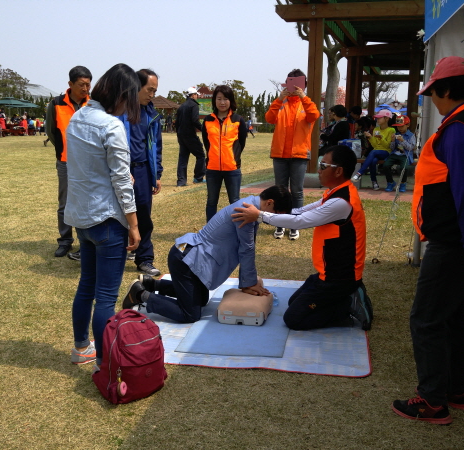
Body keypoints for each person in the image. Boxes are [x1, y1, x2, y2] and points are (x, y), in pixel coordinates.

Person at [392, 56, 464, 425]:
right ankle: (457, 390)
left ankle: (432, 400)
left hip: (454, 241)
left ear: (448, 90)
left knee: (426, 319)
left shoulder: (459, 127)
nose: (433, 101)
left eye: (434, 93)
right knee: (454, 316)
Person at [232, 146, 367, 330]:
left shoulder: (341, 202)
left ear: (338, 171)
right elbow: (300, 211)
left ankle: (348, 305)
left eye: (323, 165)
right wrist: (269, 211)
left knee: (294, 319)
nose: (318, 170)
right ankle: (341, 299)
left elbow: (300, 221)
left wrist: (260, 216)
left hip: (340, 279)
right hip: (327, 274)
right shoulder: (335, 193)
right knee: (294, 302)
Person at [122, 186, 292, 323]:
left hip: (190, 255)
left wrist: (248, 282)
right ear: (269, 203)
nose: (272, 220)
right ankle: (139, 294)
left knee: (201, 300)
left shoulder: (250, 205)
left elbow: (247, 248)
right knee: (190, 314)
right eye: (275, 215)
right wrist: (249, 283)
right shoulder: (247, 211)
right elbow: (247, 249)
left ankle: (152, 284)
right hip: (186, 260)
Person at [64, 63, 141, 366]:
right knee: (106, 296)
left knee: (87, 286)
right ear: (121, 95)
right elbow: (121, 179)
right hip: (108, 219)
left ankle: (82, 348)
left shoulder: (77, 117)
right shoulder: (111, 125)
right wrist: (134, 224)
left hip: (82, 217)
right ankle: (105, 363)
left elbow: (88, 167)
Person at [266, 69, 321, 241]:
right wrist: (279, 99)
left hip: (299, 154)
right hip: (280, 154)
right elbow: (269, 118)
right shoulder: (280, 103)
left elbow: (314, 115)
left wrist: (303, 97)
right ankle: (280, 223)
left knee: (297, 191)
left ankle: (295, 224)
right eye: (291, 82)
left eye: (298, 83)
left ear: (304, 85)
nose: (294, 86)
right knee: (280, 191)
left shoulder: (306, 104)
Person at [119, 68, 164, 278]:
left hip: (144, 171)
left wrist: (157, 173)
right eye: (149, 89)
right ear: (136, 86)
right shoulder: (120, 111)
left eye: (155, 91)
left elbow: (157, 146)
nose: (152, 94)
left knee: (144, 216)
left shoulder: (151, 114)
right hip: (122, 170)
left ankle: (145, 259)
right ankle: (117, 255)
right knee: (119, 214)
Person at [45, 66, 92, 260]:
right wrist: (64, 149)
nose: (85, 88)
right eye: (81, 84)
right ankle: (65, 240)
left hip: (89, 163)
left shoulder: (93, 104)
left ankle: (86, 242)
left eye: (88, 84)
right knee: (65, 203)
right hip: (65, 161)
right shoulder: (56, 104)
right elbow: (51, 131)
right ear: (70, 84)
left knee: (87, 202)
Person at [201, 85, 248, 222]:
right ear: (214, 100)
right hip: (212, 168)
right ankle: (210, 230)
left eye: (226, 99)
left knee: (235, 201)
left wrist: (232, 157)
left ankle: (236, 229)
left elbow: (241, 143)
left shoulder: (238, 120)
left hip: (232, 168)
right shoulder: (208, 120)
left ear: (231, 100)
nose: (222, 102)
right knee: (211, 201)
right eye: (219, 98)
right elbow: (207, 143)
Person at [352, 109, 394, 190]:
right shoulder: (376, 130)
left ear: (386, 119)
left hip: (386, 152)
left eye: (380, 118)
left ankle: (360, 173)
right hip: (376, 152)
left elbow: (388, 146)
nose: (377, 119)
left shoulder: (391, 130)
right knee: (373, 160)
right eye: (377, 118)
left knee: (373, 152)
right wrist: (370, 137)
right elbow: (375, 145)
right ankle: (374, 182)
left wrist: (381, 138)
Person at [175, 86, 205, 186]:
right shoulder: (194, 105)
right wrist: (203, 129)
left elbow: (177, 122)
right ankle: (198, 177)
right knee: (200, 155)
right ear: (193, 95)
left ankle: (181, 181)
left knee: (183, 158)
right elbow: (195, 120)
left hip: (181, 135)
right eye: (196, 95)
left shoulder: (181, 106)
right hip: (190, 134)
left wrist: (178, 133)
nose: (197, 96)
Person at [382, 114, 416, 193]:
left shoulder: (411, 135)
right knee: (386, 165)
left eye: (402, 126)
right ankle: (390, 182)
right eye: (398, 127)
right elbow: (392, 148)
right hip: (394, 154)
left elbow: (410, 148)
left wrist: (403, 141)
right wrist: (393, 141)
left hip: (405, 155)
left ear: (407, 125)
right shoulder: (396, 134)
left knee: (404, 168)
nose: (400, 128)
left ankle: (403, 183)